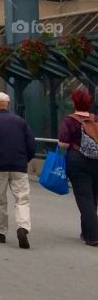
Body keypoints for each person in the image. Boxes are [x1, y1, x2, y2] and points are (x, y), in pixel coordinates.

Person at [0, 91, 36, 248]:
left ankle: (0, 232)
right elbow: (31, 144)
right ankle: (23, 227)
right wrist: (25, 159)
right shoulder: (20, 121)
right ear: (8, 105)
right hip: (19, 166)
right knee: (22, 199)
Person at [57, 86, 98, 248]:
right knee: (92, 197)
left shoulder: (69, 120)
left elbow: (63, 143)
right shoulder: (95, 119)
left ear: (74, 102)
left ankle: (93, 236)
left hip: (77, 160)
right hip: (96, 160)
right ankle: (86, 231)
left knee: (84, 198)